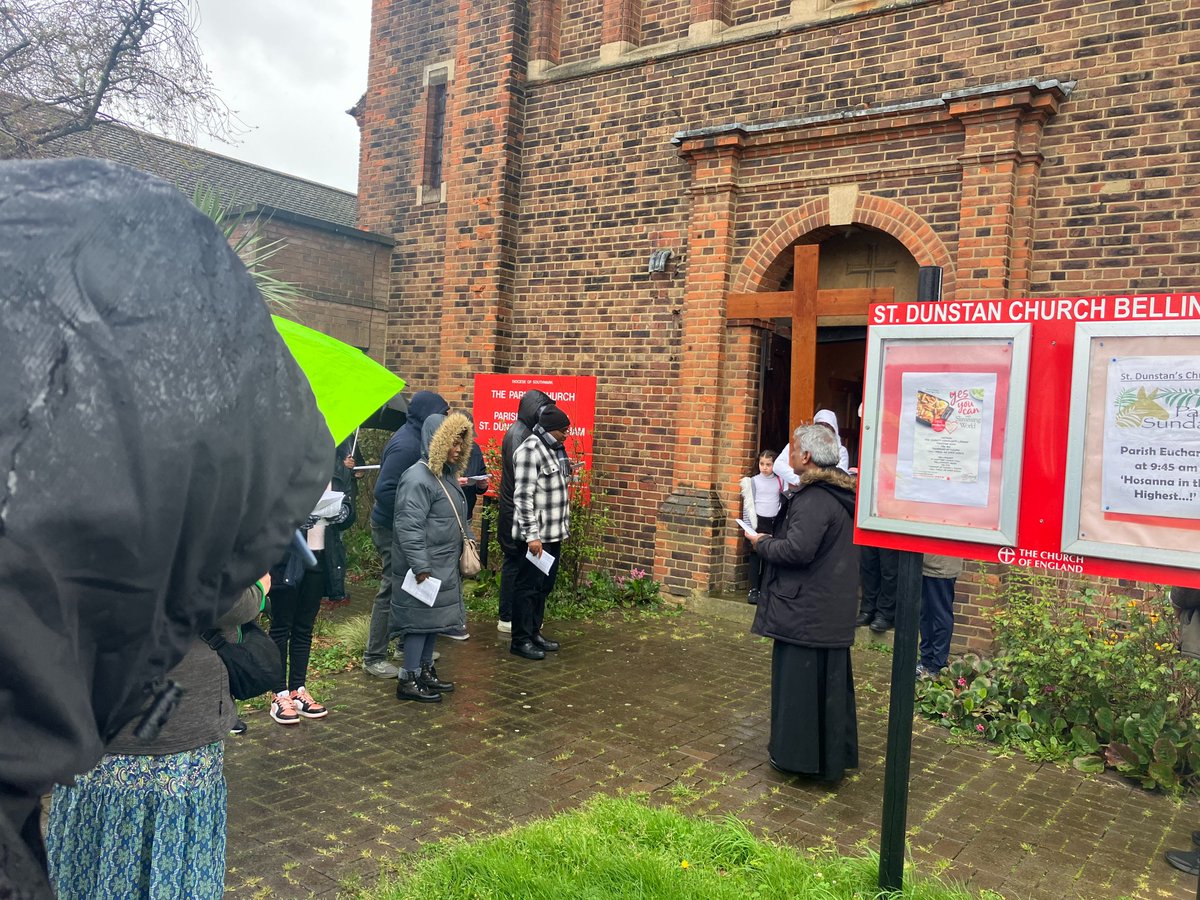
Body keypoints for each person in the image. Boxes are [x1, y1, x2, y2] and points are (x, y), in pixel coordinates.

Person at [0, 159, 330, 898]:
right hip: (169, 726)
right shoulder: (178, 476)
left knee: (93, 870)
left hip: (94, 732)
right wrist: (253, 575)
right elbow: (218, 598)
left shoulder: (52, 460)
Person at [46, 582, 266, 899]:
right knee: (178, 866)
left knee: (89, 854)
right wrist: (258, 588)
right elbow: (225, 602)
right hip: (177, 731)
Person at [746, 424, 860, 782]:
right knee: (827, 687)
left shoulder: (814, 499)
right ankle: (829, 757)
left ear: (807, 457)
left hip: (804, 611)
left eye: (793, 449)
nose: (789, 455)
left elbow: (797, 550)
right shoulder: (840, 495)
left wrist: (761, 543)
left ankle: (798, 757)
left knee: (799, 688)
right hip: (828, 607)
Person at [363, 390, 451, 678]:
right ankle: (374, 656)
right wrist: (412, 515)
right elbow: (385, 491)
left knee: (409, 587)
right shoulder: (406, 445)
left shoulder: (419, 439)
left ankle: (404, 644)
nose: (446, 419)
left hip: (403, 527)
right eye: (442, 413)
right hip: (392, 528)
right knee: (391, 587)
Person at [390, 413, 474, 701]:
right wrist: (420, 565)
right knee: (417, 622)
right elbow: (408, 524)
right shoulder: (417, 478)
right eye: (452, 442)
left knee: (432, 621)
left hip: (441, 563)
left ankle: (425, 670)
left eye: (462, 442)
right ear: (436, 441)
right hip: (424, 566)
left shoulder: (444, 476)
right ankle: (408, 678)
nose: (458, 449)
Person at [267, 486, 353, 725]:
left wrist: (343, 513)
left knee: (304, 629)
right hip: (286, 560)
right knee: (281, 628)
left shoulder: (331, 473)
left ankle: (298, 689)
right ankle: (279, 695)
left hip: (320, 559)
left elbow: (349, 511)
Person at [509, 406, 572, 660]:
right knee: (527, 588)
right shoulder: (529, 451)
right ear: (549, 430)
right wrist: (532, 535)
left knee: (543, 587)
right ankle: (520, 640)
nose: (566, 435)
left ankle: (535, 632)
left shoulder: (554, 449)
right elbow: (523, 497)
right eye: (563, 431)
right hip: (536, 537)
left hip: (554, 533)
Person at [497, 389, 560, 633]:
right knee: (515, 563)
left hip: (514, 510)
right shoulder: (521, 437)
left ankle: (516, 616)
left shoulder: (521, 432)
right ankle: (508, 617)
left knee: (519, 565)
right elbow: (523, 483)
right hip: (515, 512)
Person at [739, 449, 783, 605]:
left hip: (773, 522)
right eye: (762, 464)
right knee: (755, 556)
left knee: (770, 556)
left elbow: (782, 501)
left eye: (768, 464)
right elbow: (748, 505)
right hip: (757, 522)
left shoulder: (780, 481)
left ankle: (767, 588)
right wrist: (748, 527)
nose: (765, 467)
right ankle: (753, 589)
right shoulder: (753, 481)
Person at [322, 437, 361, 607]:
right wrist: (340, 466)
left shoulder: (350, 439)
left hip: (341, 504)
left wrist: (353, 468)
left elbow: (360, 470)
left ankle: (335, 591)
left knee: (335, 547)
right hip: (321, 502)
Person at [916, 555, 964, 677]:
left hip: (942, 565)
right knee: (925, 614)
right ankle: (926, 660)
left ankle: (938, 664)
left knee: (940, 615)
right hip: (926, 563)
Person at [859, 546, 900, 632]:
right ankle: (868, 610)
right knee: (868, 564)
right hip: (868, 533)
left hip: (893, 535)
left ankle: (886, 614)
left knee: (889, 568)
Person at [461, 439, 489, 519]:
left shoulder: (475, 448)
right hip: (445, 515)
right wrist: (453, 483)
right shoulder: (444, 447)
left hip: (467, 513)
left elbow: (481, 473)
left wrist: (481, 486)